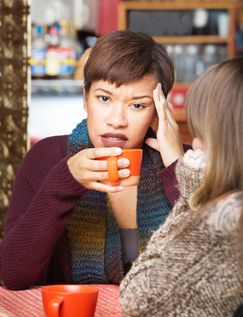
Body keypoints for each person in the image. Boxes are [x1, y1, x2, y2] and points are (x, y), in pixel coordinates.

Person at [0, 30, 185, 290]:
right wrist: (65, 182)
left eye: (137, 105)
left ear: (159, 107)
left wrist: (179, 168)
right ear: (85, 97)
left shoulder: (186, 164)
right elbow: (14, 275)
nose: (117, 120)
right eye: (104, 99)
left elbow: (218, 274)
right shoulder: (48, 157)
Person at [120, 58, 243, 317]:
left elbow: (141, 302)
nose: (196, 144)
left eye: (200, 132)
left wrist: (190, 178)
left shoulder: (228, 215)